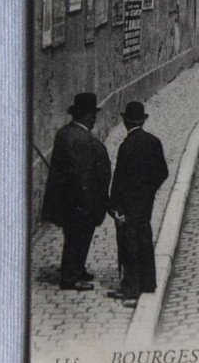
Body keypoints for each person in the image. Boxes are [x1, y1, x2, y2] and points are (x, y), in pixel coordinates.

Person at [41, 92, 111, 291]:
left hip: (65, 199)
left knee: (76, 236)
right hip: (79, 201)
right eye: (93, 116)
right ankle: (70, 277)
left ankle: (78, 268)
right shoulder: (82, 140)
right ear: (88, 116)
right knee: (77, 237)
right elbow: (82, 175)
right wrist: (87, 202)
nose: (94, 120)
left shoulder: (63, 133)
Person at [107, 101, 169, 302]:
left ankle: (131, 288)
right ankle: (148, 282)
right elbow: (163, 172)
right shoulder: (154, 141)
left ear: (125, 122)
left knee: (129, 244)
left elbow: (120, 179)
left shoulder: (126, 146)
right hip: (145, 203)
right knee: (145, 239)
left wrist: (115, 205)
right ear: (143, 120)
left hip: (129, 204)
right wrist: (149, 191)